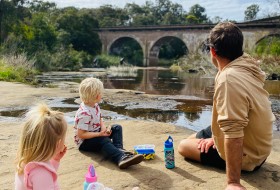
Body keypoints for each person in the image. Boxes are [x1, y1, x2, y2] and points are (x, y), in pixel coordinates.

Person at [178, 22, 275, 190]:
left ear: (213, 51)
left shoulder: (229, 78)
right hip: (259, 145)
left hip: (250, 156)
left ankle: (233, 171)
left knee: (183, 146)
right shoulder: (244, 64)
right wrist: (216, 140)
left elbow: (234, 132)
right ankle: (215, 141)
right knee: (194, 138)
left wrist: (233, 183)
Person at [74, 77, 144, 169]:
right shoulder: (84, 113)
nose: (102, 95)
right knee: (103, 141)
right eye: (101, 93)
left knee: (116, 128)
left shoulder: (94, 105)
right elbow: (81, 134)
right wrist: (99, 134)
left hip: (96, 132)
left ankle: (118, 149)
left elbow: (100, 119)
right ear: (96, 96)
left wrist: (103, 129)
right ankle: (120, 158)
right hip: (85, 142)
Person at [15, 104, 68, 190]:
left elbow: (41, 178)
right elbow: (43, 177)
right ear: (57, 144)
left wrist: (55, 160)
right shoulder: (42, 173)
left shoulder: (26, 162)